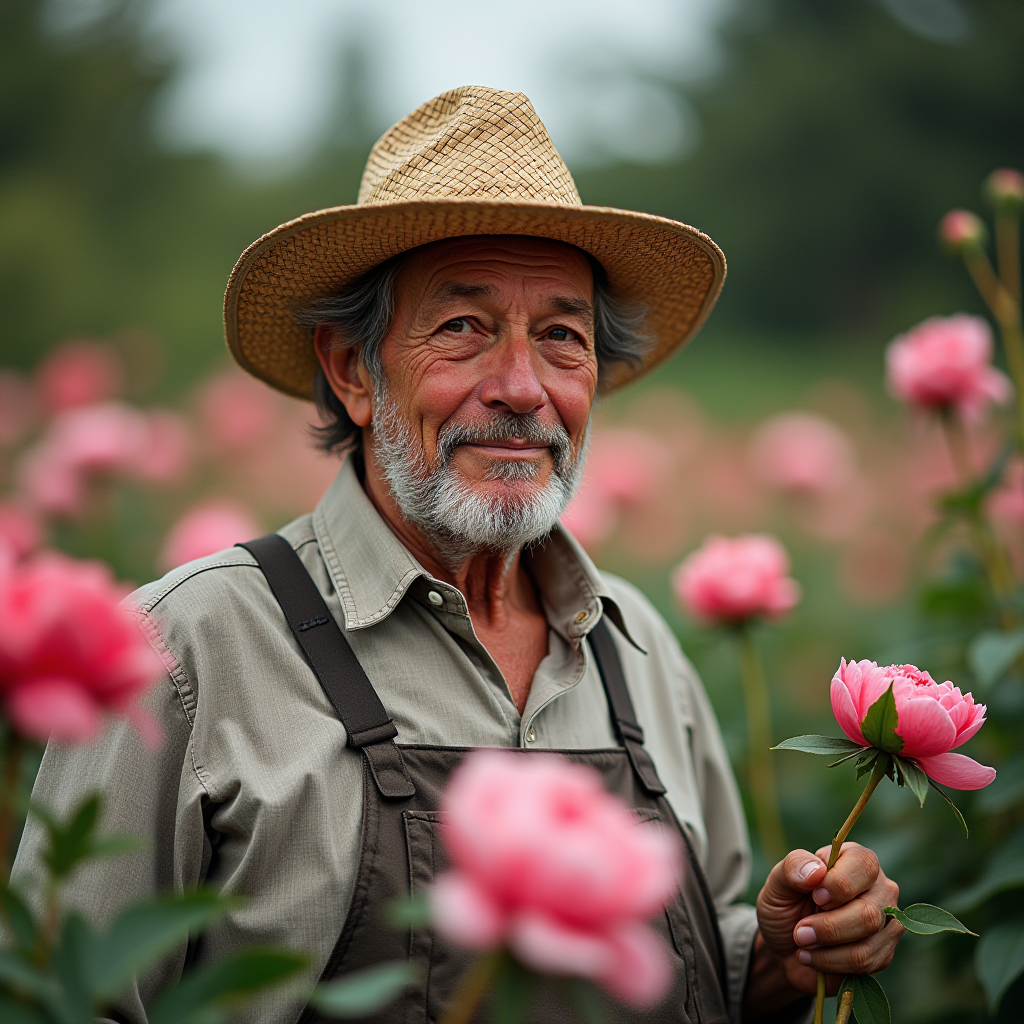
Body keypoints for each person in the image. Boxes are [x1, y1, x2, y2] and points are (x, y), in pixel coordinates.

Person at [13, 86, 903, 1024]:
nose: (522, 389)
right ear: (355, 370)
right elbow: (59, 999)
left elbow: (703, 974)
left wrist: (782, 953)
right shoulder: (192, 647)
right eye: (464, 329)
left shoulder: (636, 649)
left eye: (562, 337)